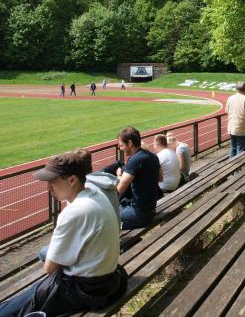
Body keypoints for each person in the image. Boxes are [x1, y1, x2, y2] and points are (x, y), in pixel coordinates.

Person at [0, 150, 127, 317]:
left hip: (86, 290)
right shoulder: (97, 195)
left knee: (13, 308)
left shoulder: (74, 212)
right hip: (110, 282)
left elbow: (49, 267)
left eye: (52, 181)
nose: (49, 188)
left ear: (72, 180)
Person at [104, 126, 161, 230]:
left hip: (139, 214)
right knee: (114, 209)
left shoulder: (135, 160)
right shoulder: (153, 156)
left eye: (121, 145)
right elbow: (160, 178)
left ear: (129, 143)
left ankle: (127, 245)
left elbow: (120, 188)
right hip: (151, 210)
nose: (120, 148)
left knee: (103, 220)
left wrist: (119, 175)